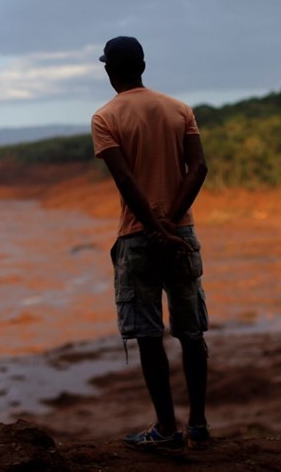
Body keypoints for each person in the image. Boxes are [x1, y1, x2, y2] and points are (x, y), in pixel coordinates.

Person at [90, 35, 211, 454]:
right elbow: (199, 167)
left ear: (110, 71)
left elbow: (125, 180)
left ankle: (165, 430)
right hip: (181, 235)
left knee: (148, 335)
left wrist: (154, 230)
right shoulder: (180, 109)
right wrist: (172, 223)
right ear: (143, 64)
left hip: (137, 238)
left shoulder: (105, 118)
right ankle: (197, 425)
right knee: (191, 333)